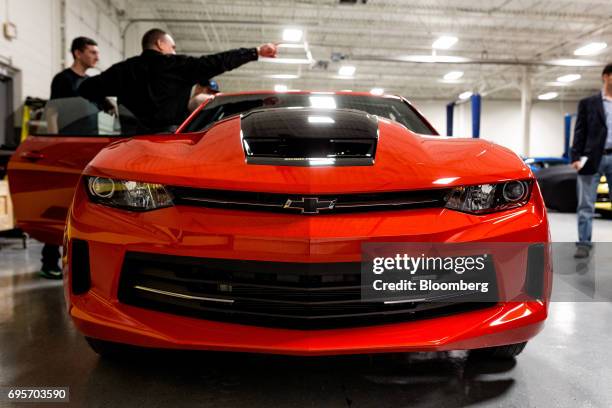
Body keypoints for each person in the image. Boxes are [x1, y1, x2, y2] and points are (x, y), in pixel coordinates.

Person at [78, 28, 277, 132]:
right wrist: (255, 52)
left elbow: (87, 88)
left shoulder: (122, 69)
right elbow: (216, 62)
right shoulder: (176, 65)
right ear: (160, 44)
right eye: (172, 47)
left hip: (129, 145)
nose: (174, 51)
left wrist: (107, 103)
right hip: (168, 142)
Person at [41, 37, 100, 279]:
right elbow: (52, 112)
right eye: (92, 52)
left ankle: (78, 263)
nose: (97, 56)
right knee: (60, 203)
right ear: (78, 53)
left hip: (90, 149)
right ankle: (49, 261)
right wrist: (56, 144)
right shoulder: (64, 80)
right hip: (68, 148)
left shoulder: (93, 83)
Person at [570, 62, 612, 258]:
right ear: (605, 76)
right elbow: (579, 131)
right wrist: (576, 157)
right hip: (591, 158)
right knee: (586, 204)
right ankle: (584, 243)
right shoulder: (588, 103)